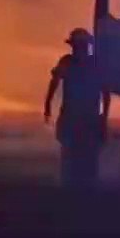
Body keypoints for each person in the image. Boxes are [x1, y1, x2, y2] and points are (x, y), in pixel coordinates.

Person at [44, 28, 110, 188]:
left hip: (80, 116)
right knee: (80, 154)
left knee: (78, 154)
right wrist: (103, 118)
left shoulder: (71, 63)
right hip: (80, 116)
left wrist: (47, 106)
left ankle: (79, 187)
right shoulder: (89, 63)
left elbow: (105, 92)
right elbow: (106, 92)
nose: (79, 49)